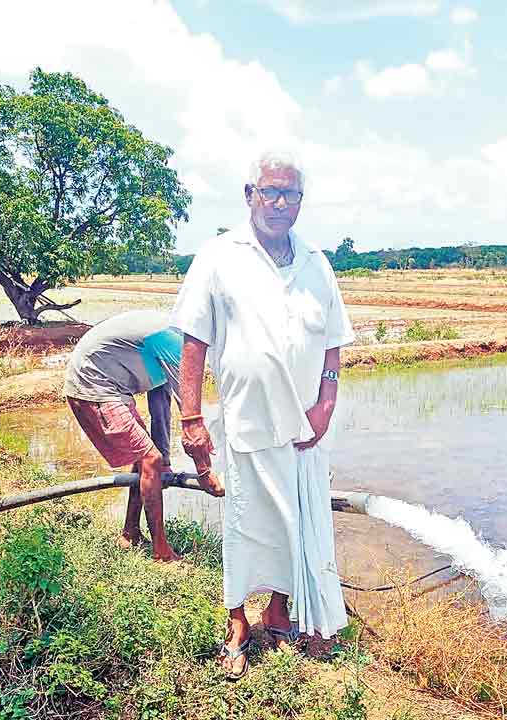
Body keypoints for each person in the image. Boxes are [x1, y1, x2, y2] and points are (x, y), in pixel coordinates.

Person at [171, 151, 354, 679]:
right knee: (245, 525)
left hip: (305, 428)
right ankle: (237, 624)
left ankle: (280, 611)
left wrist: (327, 402)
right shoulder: (218, 256)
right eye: (269, 192)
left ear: (301, 202)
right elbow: (194, 339)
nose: (279, 203)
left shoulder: (316, 262)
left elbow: (334, 342)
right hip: (248, 421)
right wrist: (190, 417)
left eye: (290, 194)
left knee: (297, 520)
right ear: (249, 195)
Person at [63, 309, 224, 563]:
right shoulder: (175, 342)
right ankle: (162, 552)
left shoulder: (171, 339)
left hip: (108, 385)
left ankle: (130, 532)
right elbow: (192, 427)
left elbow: (160, 403)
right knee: (150, 459)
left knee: (148, 459)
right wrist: (205, 475)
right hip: (92, 386)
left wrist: (166, 460)